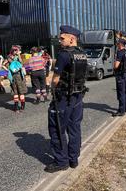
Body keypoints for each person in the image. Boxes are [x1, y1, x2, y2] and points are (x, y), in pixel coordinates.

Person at [45, 25, 88, 173]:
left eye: (63, 38)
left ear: (72, 38)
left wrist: (50, 87)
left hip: (63, 97)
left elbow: (55, 79)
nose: (60, 40)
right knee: (74, 128)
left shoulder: (64, 54)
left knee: (57, 129)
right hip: (78, 97)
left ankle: (61, 162)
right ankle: (73, 159)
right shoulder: (82, 54)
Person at [112, 38, 126, 117]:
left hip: (121, 74)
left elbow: (116, 65)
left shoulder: (120, 52)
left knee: (121, 93)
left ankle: (121, 110)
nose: (116, 44)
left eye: (117, 43)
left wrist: (114, 64)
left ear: (120, 44)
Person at [6, 46, 27, 112]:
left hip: (16, 76)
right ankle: (17, 107)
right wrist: (18, 56)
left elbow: (21, 63)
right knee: (18, 92)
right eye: (16, 50)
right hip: (16, 76)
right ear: (13, 50)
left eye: (17, 50)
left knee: (19, 92)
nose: (17, 51)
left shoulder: (12, 56)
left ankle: (20, 106)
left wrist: (19, 55)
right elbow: (18, 63)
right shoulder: (10, 57)